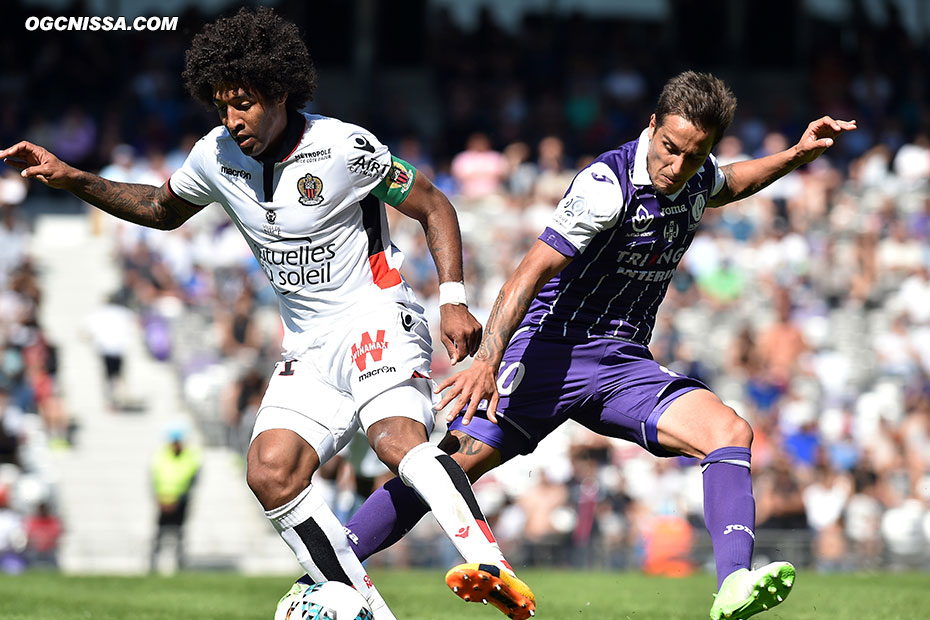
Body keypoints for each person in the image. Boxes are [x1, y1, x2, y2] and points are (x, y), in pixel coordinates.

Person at [0, 8, 534, 620]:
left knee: (395, 441)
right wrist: (73, 179)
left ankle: (489, 563)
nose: (233, 119)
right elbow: (159, 207)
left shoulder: (345, 147)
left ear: (279, 92)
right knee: (270, 473)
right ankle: (364, 609)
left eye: (245, 104)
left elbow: (434, 205)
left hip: (376, 314)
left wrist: (454, 299)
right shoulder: (216, 155)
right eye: (223, 105)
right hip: (307, 344)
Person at [340, 71, 856, 620]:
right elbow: (527, 274)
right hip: (549, 354)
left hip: (623, 364)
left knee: (729, 433)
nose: (676, 167)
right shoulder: (605, 187)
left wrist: (797, 155)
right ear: (651, 125)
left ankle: (733, 584)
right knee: (453, 468)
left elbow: (731, 182)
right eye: (669, 148)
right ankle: (332, 561)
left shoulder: (694, 174)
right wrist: (488, 361)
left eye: (694, 154)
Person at [150, 425, 201, 573]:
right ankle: (153, 562)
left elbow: (192, 479)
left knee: (179, 533)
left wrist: (180, 498)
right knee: (159, 533)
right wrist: (159, 498)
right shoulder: (161, 455)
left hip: (180, 501)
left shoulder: (190, 457)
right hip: (163, 501)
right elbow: (155, 478)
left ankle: (179, 563)